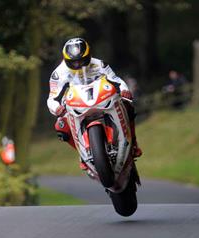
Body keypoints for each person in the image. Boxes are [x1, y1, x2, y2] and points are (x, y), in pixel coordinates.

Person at [47, 38, 142, 171]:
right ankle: (82, 155)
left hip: (100, 97)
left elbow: (116, 80)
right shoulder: (58, 74)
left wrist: (125, 90)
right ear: (66, 59)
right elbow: (51, 98)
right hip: (74, 104)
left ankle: (134, 144)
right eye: (73, 62)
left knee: (128, 105)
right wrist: (57, 108)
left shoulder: (99, 64)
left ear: (88, 55)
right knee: (60, 126)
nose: (78, 65)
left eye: (82, 60)